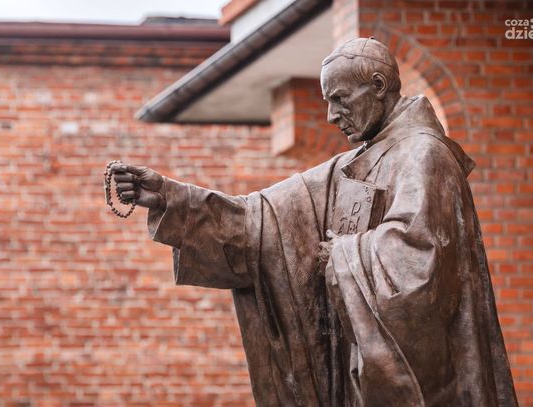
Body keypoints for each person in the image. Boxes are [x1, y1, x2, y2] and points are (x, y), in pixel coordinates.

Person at [111, 38, 517, 406]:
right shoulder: (354, 163)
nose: (330, 115)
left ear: (378, 86)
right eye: (327, 101)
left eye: (340, 99)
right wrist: (170, 197)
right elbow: (261, 221)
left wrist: (343, 254)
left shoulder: (424, 155)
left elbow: (417, 266)